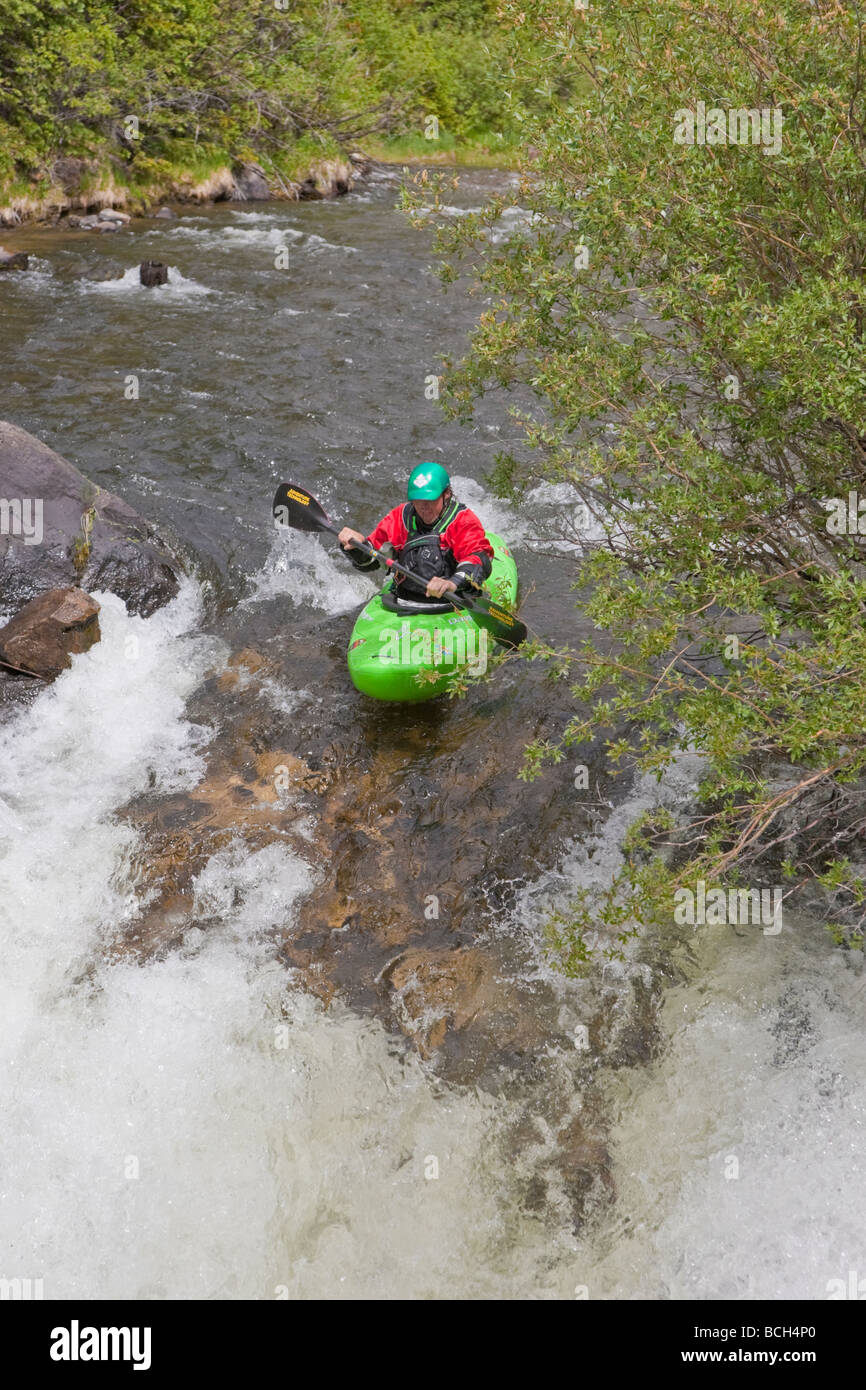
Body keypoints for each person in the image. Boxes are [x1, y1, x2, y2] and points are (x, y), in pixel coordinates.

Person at [338, 463, 493, 601]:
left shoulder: (462, 520)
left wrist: (452, 583)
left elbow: (477, 558)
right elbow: (371, 562)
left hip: (453, 599)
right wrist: (357, 545)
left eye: (430, 500)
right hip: (405, 600)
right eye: (418, 500)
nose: (424, 507)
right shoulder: (399, 518)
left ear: (446, 494)